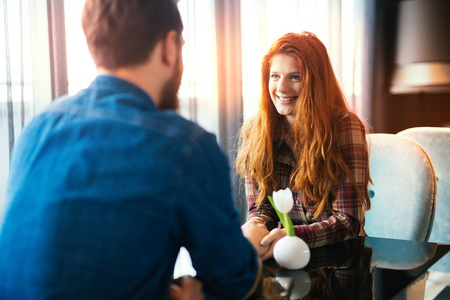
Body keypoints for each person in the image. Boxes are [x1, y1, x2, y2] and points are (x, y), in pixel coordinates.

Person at [0, 0, 261, 299]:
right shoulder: (185, 147)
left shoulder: (37, 129)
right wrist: (250, 245)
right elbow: (235, 281)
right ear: (169, 47)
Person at [238, 32, 371, 261]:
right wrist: (255, 224)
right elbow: (262, 207)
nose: (281, 87)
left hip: (339, 260)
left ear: (315, 82)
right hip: (286, 256)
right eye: (275, 76)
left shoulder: (345, 127)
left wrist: (292, 235)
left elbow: (348, 221)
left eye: (295, 77)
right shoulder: (256, 130)